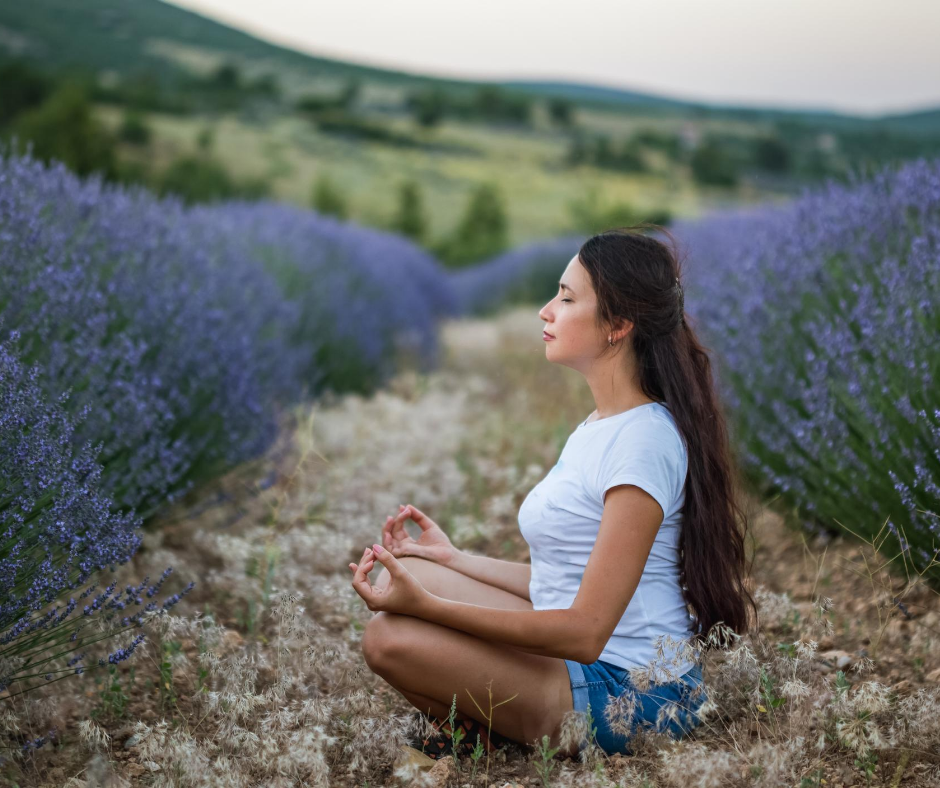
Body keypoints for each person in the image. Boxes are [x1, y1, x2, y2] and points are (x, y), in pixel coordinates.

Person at [348, 225, 756, 759]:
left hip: (634, 693)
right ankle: (482, 729)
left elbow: (585, 631)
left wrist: (429, 607)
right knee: (420, 574)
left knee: (389, 638)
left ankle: (488, 732)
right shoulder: (602, 423)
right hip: (590, 665)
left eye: (566, 298)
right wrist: (453, 560)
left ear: (619, 324)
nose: (546, 311)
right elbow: (564, 585)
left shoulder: (643, 442)